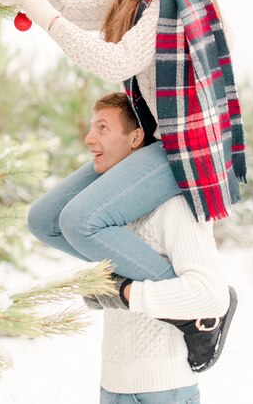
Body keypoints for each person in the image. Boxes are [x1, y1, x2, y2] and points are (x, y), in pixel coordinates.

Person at [0, 0, 246, 365]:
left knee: (80, 221)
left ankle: (197, 311)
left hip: (183, 148)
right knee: (45, 220)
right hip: (155, 141)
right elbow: (63, 7)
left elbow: (115, 62)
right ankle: (147, 287)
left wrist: (41, 14)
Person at [84, 92, 233, 404]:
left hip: (163, 392)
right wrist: (95, 287)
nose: (88, 138)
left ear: (137, 136)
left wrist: (125, 293)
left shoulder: (174, 205)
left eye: (102, 128)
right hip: (111, 389)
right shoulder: (109, 213)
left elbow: (210, 294)